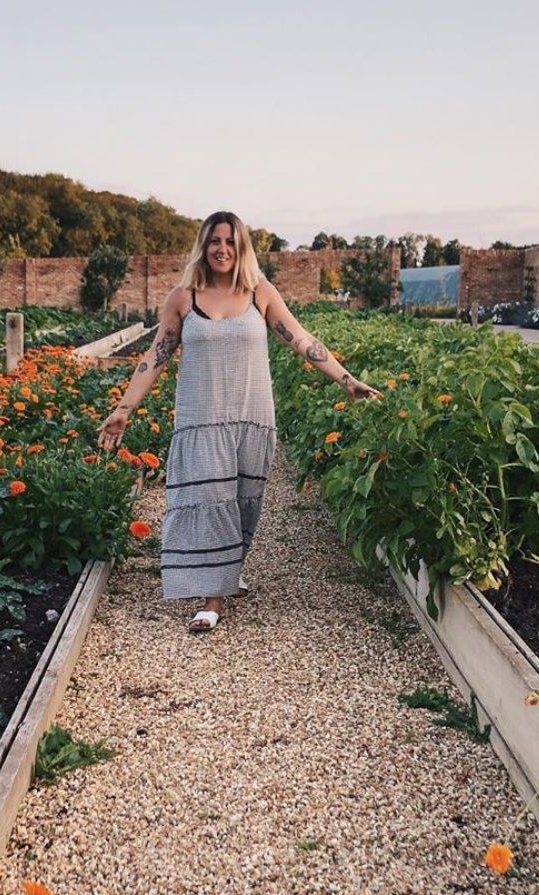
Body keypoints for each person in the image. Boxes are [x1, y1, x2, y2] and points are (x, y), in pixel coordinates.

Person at [97, 211, 379, 632]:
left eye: (230, 241)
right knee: (211, 502)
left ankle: (229, 571)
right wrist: (123, 408)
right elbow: (156, 355)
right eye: (214, 240)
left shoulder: (259, 292)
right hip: (201, 419)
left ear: (241, 247)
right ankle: (212, 600)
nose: (222, 249)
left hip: (252, 417)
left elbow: (301, 338)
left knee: (245, 503)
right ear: (203, 246)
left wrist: (347, 379)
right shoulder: (183, 298)